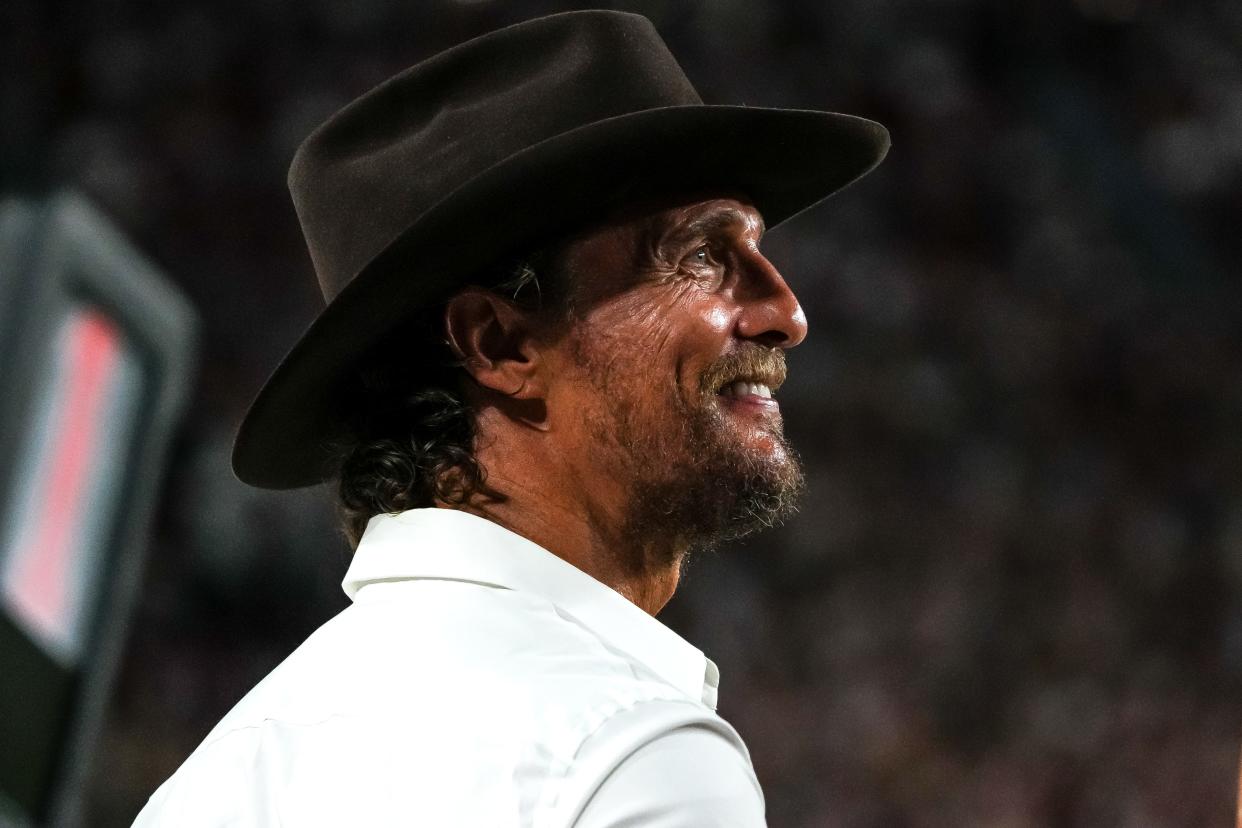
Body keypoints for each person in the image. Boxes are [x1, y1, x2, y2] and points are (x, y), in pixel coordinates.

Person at [134, 9, 888, 826]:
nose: (786, 310)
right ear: (499, 343)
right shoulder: (630, 756)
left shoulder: (218, 777)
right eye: (701, 256)